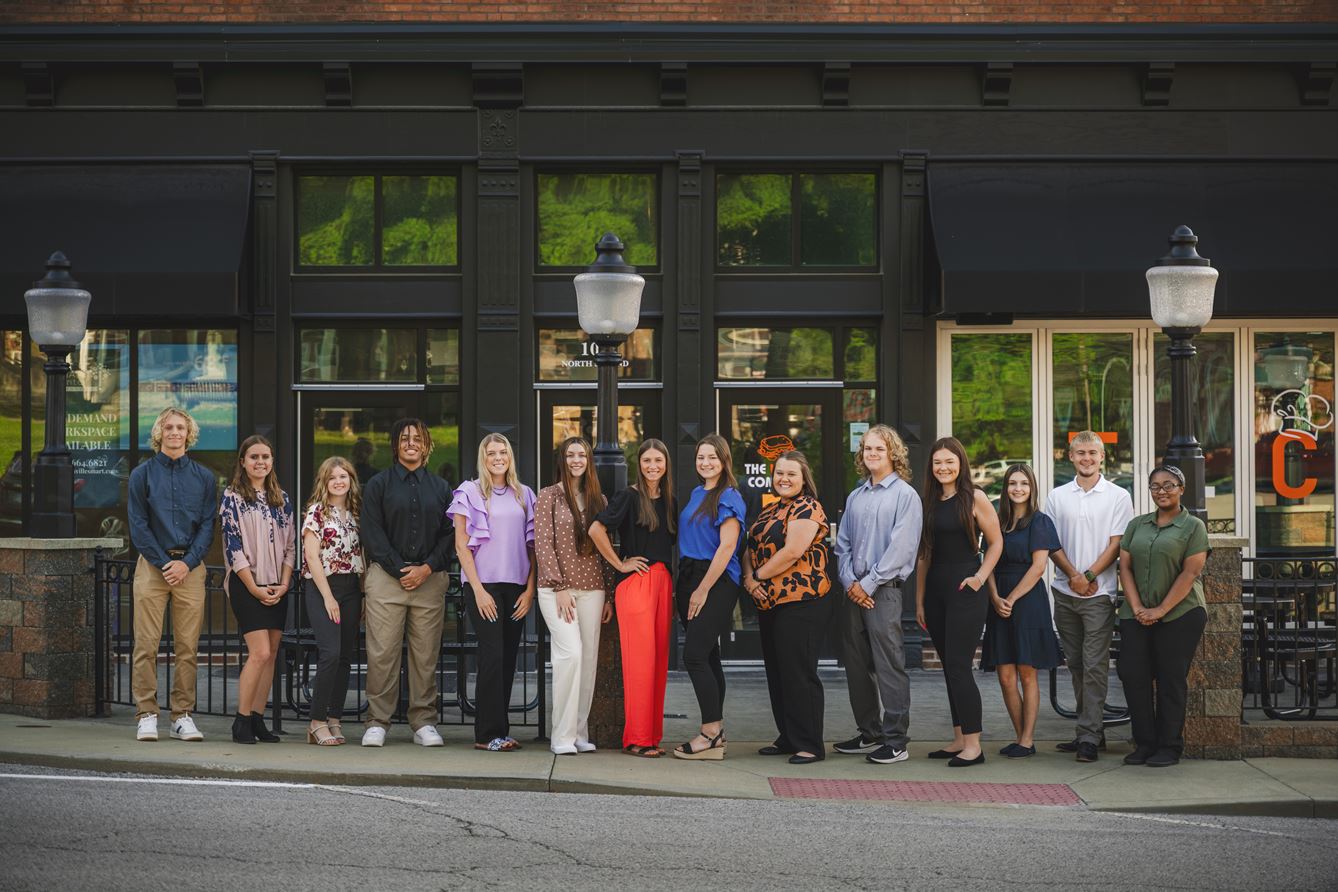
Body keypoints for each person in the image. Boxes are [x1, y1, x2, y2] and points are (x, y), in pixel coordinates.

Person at [359, 418, 454, 748]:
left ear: (426, 445)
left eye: (417, 438)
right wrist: (402, 569)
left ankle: (423, 722)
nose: (411, 443)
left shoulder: (442, 488)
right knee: (382, 653)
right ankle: (377, 721)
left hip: (429, 581)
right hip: (387, 580)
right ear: (395, 444)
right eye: (404, 438)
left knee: (425, 656)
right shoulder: (378, 484)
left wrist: (426, 568)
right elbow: (372, 533)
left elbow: (450, 534)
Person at [832, 424, 922, 766]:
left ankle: (896, 739)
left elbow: (900, 550)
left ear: (893, 454)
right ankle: (869, 732)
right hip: (854, 591)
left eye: (879, 449)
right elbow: (843, 545)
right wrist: (849, 583)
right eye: (867, 449)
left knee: (889, 665)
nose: (871, 454)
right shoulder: (856, 496)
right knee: (857, 665)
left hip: (883, 592)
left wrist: (866, 585)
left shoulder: (905, 496)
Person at [127, 406, 217, 743]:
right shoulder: (142, 475)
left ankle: (182, 716)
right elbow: (138, 525)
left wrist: (186, 563)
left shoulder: (204, 478)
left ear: (189, 433)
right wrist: (165, 562)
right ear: (159, 433)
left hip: (190, 570)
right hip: (152, 568)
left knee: (187, 649)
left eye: (180, 427)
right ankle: (147, 713)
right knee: (145, 646)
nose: (175, 432)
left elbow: (208, 525)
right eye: (169, 427)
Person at [1044, 430, 1135, 762]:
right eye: (1080, 453)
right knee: (1077, 665)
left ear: (1102, 457)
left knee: (1095, 665)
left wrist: (1091, 576)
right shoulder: (1057, 496)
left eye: (1092, 453)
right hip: (1063, 591)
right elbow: (1051, 543)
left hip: (1100, 594)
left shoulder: (1117, 496)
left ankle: (1088, 736)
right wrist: (1073, 576)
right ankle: (1090, 731)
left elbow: (1117, 544)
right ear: (1070, 457)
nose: (1086, 458)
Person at [915, 436, 1003, 767]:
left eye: (949, 461)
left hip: (966, 587)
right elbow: (925, 554)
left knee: (958, 666)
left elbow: (995, 544)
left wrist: (980, 578)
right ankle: (958, 738)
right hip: (936, 591)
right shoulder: (929, 501)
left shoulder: (975, 498)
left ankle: (974, 746)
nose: (943, 467)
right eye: (938, 462)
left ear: (961, 464)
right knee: (950, 669)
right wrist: (920, 600)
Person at [742, 450, 833, 765]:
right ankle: (788, 736)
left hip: (802, 601)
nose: (784, 479)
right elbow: (750, 547)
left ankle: (810, 743)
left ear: (803, 478)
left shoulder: (809, 507)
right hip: (769, 602)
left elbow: (793, 551)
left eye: (791, 474)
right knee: (778, 672)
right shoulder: (769, 511)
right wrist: (749, 580)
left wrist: (757, 576)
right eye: (779, 473)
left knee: (799, 672)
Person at [1117, 465, 1210, 768]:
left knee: (1171, 680)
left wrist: (1159, 610)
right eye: (1155, 486)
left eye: (1169, 485)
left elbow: (1191, 572)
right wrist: (1137, 607)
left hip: (1180, 614)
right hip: (1136, 614)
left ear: (1182, 488)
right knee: (1133, 675)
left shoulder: (1193, 526)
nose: (1162, 491)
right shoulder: (1137, 525)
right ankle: (1144, 744)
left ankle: (1169, 747)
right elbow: (1125, 568)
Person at [589, 439, 676, 758]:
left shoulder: (669, 501)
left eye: (659, 460)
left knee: (658, 664)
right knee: (640, 664)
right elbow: (596, 530)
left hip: (663, 584)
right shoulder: (628, 496)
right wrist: (619, 562)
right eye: (647, 461)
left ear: (666, 464)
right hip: (636, 582)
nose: (653, 466)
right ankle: (637, 739)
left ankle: (651, 736)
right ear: (638, 464)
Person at [451, 434, 537, 752]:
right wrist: (478, 591)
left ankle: (500, 730)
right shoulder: (469, 491)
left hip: (516, 586)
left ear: (510, 457)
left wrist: (529, 591)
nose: (498, 457)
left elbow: (533, 548)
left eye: (503, 452)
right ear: (483, 458)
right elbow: (462, 545)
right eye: (491, 453)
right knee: (492, 656)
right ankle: (486, 734)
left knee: (508, 659)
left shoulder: (525, 494)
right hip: (482, 585)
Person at [534, 437, 612, 755]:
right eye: (570, 454)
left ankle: (580, 732)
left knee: (589, 660)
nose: (576, 459)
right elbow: (543, 543)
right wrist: (559, 585)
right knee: (571, 656)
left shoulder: (599, 500)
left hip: (593, 588)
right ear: (562, 460)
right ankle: (561, 736)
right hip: (557, 591)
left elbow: (606, 550)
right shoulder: (549, 496)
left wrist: (610, 594)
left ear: (589, 460)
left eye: (582, 454)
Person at [981, 464, 1064, 758]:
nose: (1018, 488)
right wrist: (993, 596)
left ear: (1032, 488)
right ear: (1005, 488)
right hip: (998, 597)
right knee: (1005, 675)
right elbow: (987, 560)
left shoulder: (1040, 522)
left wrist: (1011, 598)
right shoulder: (996, 521)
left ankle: (1027, 739)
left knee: (1027, 673)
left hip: (1027, 601)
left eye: (1024, 484)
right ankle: (1020, 737)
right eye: (1013, 483)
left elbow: (1039, 566)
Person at [672, 433, 746, 761]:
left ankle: (710, 733)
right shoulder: (695, 493)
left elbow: (728, 547)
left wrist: (702, 590)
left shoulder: (728, 496)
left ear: (724, 460)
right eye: (701, 457)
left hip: (715, 580)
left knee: (695, 657)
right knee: (709, 655)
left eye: (712, 457)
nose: (706, 462)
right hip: (689, 575)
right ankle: (717, 731)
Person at [219, 435, 295, 745]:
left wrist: (285, 583)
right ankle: (242, 721)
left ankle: (259, 719)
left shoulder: (282, 498)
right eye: (254, 457)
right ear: (243, 462)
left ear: (272, 461)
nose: (260, 462)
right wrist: (255, 589)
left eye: (266, 456)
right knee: (259, 652)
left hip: (277, 585)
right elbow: (233, 548)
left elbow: (291, 546)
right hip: (246, 583)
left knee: (272, 654)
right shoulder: (232, 497)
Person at [301, 456, 365, 746]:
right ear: (324, 482)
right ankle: (316, 722)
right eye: (333, 477)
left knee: (345, 658)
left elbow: (360, 556)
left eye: (344, 476)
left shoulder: (356, 513)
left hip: (351, 588)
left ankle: (334, 718)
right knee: (330, 653)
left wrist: (362, 595)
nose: (339, 481)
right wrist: (328, 597)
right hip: (322, 587)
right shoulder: (317, 512)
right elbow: (311, 556)